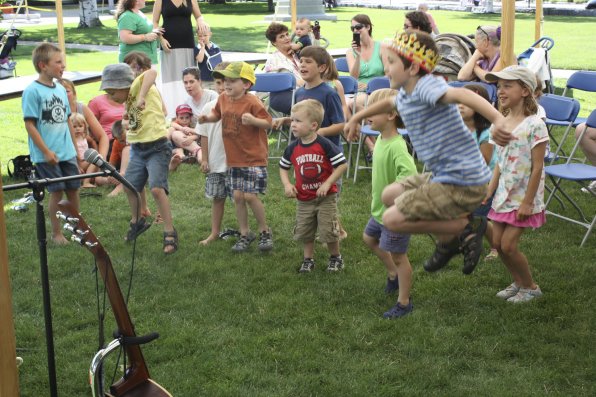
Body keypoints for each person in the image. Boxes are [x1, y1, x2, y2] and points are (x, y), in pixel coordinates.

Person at [345, 31, 509, 275]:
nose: (386, 69)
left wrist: (498, 119)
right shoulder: (407, 93)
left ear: (412, 68)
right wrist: (357, 117)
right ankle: (450, 238)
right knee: (388, 194)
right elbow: (389, 103)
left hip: (462, 180)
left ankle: (465, 228)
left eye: (390, 62)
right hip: (444, 175)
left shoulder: (425, 87)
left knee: (391, 219)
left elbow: (462, 93)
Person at [483, 66, 548, 303]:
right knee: (498, 245)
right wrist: (490, 190)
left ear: (524, 90)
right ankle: (518, 282)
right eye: (499, 86)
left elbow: (538, 167)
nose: (500, 91)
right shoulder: (501, 123)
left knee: (509, 245)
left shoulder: (534, 125)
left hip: (523, 197)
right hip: (503, 195)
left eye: (507, 85)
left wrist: (528, 202)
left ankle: (531, 287)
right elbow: (499, 162)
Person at [100, 63, 178, 254]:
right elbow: (132, 120)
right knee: (129, 186)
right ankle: (138, 220)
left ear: (124, 85)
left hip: (157, 146)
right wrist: (126, 120)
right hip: (137, 148)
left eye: (112, 92)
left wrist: (142, 95)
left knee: (157, 189)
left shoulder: (136, 86)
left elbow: (151, 72)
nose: (111, 97)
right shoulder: (128, 99)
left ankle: (170, 231)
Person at [198, 62, 274, 253]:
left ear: (246, 84)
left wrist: (253, 120)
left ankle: (264, 230)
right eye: (225, 81)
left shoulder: (253, 102)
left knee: (249, 195)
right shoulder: (223, 98)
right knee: (238, 197)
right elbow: (217, 114)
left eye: (232, 81)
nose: (226, 85)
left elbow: (268, 123)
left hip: (253, 157)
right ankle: (244, 233)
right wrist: (208, 119)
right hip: (234, 158)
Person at [361, 88, 417, 318]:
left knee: (398, 256)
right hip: (379, 212)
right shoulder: (383, 141)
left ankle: (404, 302)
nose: (367, 114)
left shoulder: (397, 146)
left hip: (395, 214)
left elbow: (412, 177)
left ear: (391, 114)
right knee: (369, 238)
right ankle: (393, 275)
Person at [279, 100, 348, 273]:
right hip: (304, 199)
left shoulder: (324, 144)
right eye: (292, 120)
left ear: (313, 125)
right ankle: (308, 260)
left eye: (298, 121)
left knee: (328, 230)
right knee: (306, 230)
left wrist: (328, 183)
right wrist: (287, 184)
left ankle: (335, 258)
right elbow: (283, 166)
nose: (293, 124)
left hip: (325, 198)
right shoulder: (292, 148)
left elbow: (342, 165)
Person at [22, 43, 79, 245]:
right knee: (57, 191)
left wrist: (75, 149)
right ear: (43, 65)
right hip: (47, 154)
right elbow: (30, 125)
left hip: (67, 152)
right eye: (58, 62)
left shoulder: (62, 90)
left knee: (73, 188)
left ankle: (77, 228)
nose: (63, 66)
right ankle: (57, 234)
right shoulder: (32, 91)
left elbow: (67, 121)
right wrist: (45, 151)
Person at [152, 0, 208, 117]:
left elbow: (198, 16)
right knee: (170, 81)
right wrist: (161, 40)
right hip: (168, 46)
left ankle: (190, 115)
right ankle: (172, 116)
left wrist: (200, 20)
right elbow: (155, 22)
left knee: (188, 79)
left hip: (187, 43)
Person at [197, 65, 230, 245]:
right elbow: (204, 135)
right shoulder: (209, 107)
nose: (222, 87)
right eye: (218, 83)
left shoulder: (240, 105)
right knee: (218, 198)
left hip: (236, 161)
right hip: (216, 161)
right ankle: (214, 232)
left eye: (226, 82)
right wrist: (205, 159)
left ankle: (245, 231)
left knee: (242, 198)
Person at [57, 79, 110, 185]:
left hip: (87, 159)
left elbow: (102, 136)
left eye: (67, 91)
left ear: (74, 94)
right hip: (68, 160)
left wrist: (101, 160)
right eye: (59, 91)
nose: (63, 94)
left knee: (98, 167)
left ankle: (99, 175)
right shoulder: (55, 113)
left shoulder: (82, 108)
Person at [264, 22, 305, 116]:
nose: (287, 38)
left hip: (306, 90)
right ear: (274, 42)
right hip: (290, 96)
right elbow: (272, 85)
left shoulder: (298, 54)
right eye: (281, 36)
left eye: (287, 34)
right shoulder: (273, 60)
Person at [346, 14, 385, 93]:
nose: (355, 30)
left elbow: (389, 75)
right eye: (352, 28)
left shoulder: (382, 47)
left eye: (358, 27)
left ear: (368, 27)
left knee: (353, 104)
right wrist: (358, 56)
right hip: (360, 91)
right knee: (351, 103)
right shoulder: (350, 52)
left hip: (379, 90)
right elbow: (353, 77)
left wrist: (371, 85)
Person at [116, 0, 159, 66]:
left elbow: (143, 30)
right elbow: (125, 38)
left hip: (146, 59)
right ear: (135, 1)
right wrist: (145, 37)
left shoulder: (138, 13)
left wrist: (153, 33)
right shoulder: (127, 16)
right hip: (134, 62)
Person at [168, 103, 202, 171]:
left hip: (187, 147)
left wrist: (191, 137)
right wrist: (182, 128)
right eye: (181, 118)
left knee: (180, 151)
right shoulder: (175, 125)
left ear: (190, 118)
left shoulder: (192, 127)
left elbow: (198, 134)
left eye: (187, 117)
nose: (184, 120)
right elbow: (172, 124)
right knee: (178, 150)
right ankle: (183, 158)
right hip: (173, 148)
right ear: (177, 118)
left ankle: (184, 158)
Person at [70, 112, 98, 188]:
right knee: (95, 161)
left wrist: (95, 150)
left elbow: (92, 141)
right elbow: (72, 154)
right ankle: (86, 182)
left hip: (86, 160)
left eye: (80, 126)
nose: (78, 128)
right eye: (74, 126)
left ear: (85, 127)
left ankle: (90, 179)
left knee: (98, 161)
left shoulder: (84, 136)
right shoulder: (72, 140)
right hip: (78, 163)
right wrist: (78, 166)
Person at [194, 25, 222, 90]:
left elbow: (220, 62)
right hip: (204, 79)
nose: (202, 38)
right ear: (197, 36)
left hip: (215, 78)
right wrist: (202, 47)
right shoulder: (197, 48)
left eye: (205, 35)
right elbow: (200, 60)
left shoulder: (216, 48)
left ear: (210, 34)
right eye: (200, 36)